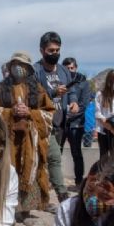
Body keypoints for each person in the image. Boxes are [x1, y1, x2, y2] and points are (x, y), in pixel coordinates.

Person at [0, 51, 56, 225]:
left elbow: (49, 113)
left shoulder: (38, 89)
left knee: (29, 170)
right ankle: (8, 212)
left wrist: (30, 113)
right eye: (15, 64)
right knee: (7, 172)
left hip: (30, 140)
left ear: (28, 68)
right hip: (8, 140)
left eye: (22, 65)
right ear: (10, 67)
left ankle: (25, 211)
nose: (18, 68)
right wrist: (10, 112)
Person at [34, 31, 75, 205]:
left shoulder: (64, 70)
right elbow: (33, 97)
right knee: (46, 160)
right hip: (42, 124)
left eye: (58, 50)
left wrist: (73, 102)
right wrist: (52, 92)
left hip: (60, 122)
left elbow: (71, 88)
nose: (55, 54)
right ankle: (61, 197)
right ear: (42, 50)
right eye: (51, 50)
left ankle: (45, 199)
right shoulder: (35, 71)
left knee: (52, 160)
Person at [62, 57, 89, 189]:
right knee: (56, 153)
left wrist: (70, 115)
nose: (69, 70)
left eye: (71, 68)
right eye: (67, 69)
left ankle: (79, 180)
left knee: (76, 153)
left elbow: (83, 105)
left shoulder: (83, 83)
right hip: (60, 123)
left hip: (76, 124)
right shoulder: (59, 81)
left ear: (76, 67)